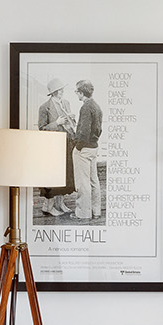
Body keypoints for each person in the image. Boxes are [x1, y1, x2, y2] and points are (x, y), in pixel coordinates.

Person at [38, 77, 76, 216]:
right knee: (53, 176)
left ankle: (61, 203)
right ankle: (48, 207)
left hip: (67, 144)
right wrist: (57, 122)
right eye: (60, 90)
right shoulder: (44, 107)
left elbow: (71, 124)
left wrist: (72, 119)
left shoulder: (66, 103)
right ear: (53, 92)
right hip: (53, 147)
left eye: (62, 90)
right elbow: (42, 129)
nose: (62, 92)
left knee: (66, 175)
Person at [70, 79, 103, 221]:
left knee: (83, 183)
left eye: (77, 91)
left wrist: (78, 147)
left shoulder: (85, 107)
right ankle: (96, 212)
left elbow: (83, 132)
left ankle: (83, 214)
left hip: (83, 149)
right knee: (93, 181)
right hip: (94, 148)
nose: (76, 94)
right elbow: (98, 130)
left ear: (81, 92)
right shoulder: (97, 106)